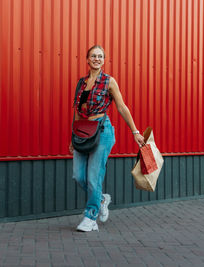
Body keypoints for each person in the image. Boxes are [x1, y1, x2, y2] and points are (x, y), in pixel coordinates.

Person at [70, 45, 145, 232]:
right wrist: (73, 137)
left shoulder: (109, 82)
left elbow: (122, 107)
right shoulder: (81, 83)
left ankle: (90, 216)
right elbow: (78, 112)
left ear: (104, 60)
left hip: (102, 131)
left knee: (94, 177)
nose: (97, 59)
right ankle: (102, 199)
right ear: (87, 60)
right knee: (79, 176)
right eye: (93, 56)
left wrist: (135, 131)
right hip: (83, 132)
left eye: (100, 56)